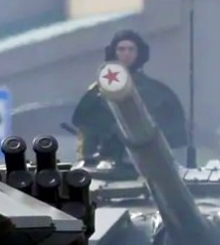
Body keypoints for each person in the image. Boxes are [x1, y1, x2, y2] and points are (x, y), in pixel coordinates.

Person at [68, 29, 190, 166]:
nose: (126, 53)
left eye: (131, 49)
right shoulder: (96, 94)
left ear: (139, 53)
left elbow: (176, 139)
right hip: (108, 165)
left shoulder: (160, 94)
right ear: (114, 52)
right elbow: (87, 134)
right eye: (121, 49)